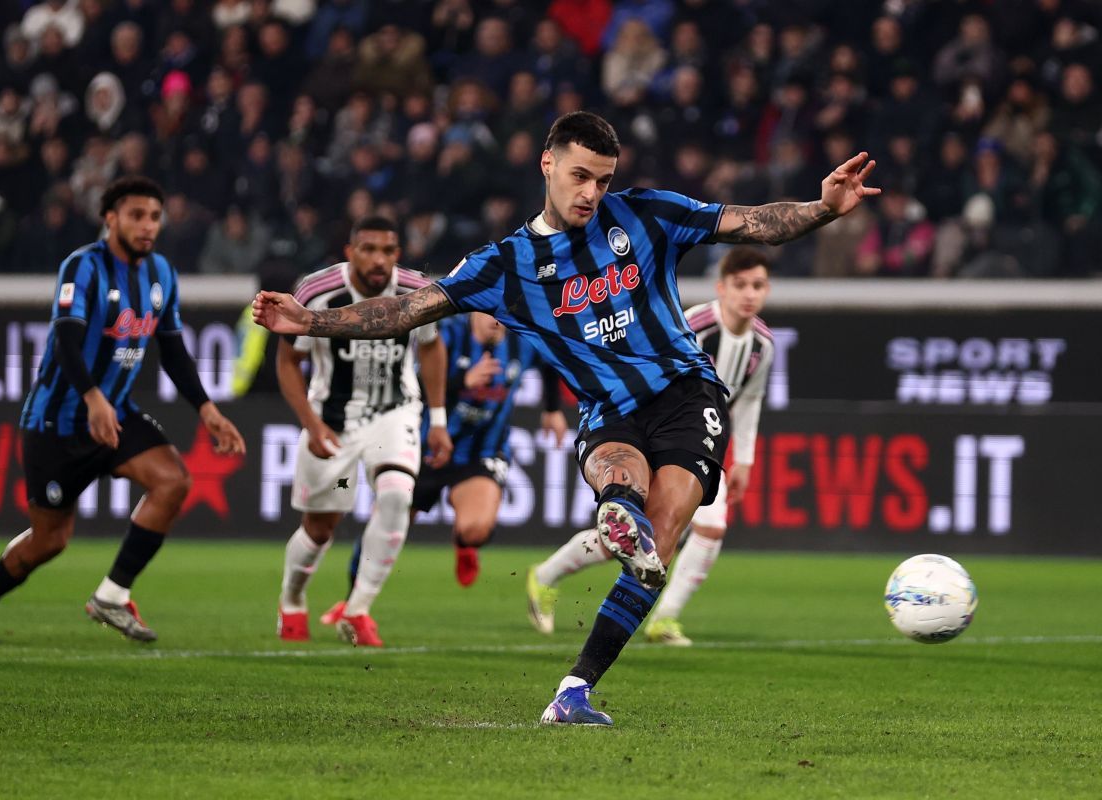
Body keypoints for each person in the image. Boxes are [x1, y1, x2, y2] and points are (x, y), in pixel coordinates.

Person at [253, 112, 877, 724]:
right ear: (547, 164)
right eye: (580, 176)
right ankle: (618, 512)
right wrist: (312, 321)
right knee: (621, 479)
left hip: (687, 394)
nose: (591, 193)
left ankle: (575, 688)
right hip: (607, 410)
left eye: (603, 180)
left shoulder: (646, 213)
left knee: (657, 545)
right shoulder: (504, 264)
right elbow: (407, 310)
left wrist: (822, 208)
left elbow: (751, 223)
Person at [0, 176, 246, 644]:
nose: (147, 226)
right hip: (57, 421)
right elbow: (66, 340)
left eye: (154, 217)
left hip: (115, 415)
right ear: (111, 218)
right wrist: (92, 397)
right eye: (136, 216)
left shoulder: (161, 273)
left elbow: (173, 350)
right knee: (50, 540)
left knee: (173, 480)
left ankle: (112, 594)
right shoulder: (83, 266)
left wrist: (206, 409)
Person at [526, 246, 775, 646]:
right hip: (651, 433)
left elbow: (749, 400)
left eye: (757, 286)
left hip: (697, 441)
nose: (749, 294)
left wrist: (744, 459)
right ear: (721, 287)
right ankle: (546, 575)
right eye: (740, 285)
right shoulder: (693, 325)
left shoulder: (763, 345)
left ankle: (664, 618)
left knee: (707, 528)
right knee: (628, 538)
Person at [275, 216, 452, 648]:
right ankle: (292, 599)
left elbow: (431, 348)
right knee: (320, 528)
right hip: (333, 423)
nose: (378, 260)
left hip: (395, 414)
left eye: (387, 251)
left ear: (398, 254)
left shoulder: (417, 290)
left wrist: (438, 420)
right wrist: (311, 424)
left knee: (396, 496)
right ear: (349, 252)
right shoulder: (315, 291)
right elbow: (287, 362)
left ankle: (358, 609)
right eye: (368, 249)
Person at [326, 312, 567, 616]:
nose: (496, 321)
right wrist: (461, 382)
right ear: (474, 309)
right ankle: (351, 602)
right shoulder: (447, 334)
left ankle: (464, 543)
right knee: (385, 522)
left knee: (476, 530)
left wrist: (552, 409)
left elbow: (552, 359)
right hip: (426, 448)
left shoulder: (522, 341)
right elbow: (410, 385)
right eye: (489, 312)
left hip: (481, 452)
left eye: (501, 314)